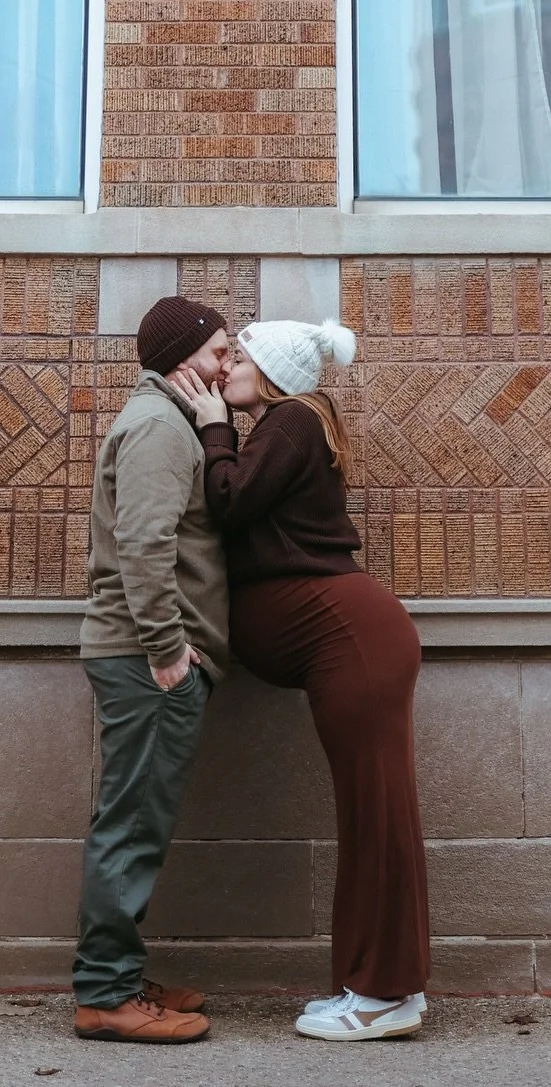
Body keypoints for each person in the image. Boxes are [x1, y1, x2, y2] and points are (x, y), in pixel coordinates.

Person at [171, 317, 431, 1043]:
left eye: (237, 361)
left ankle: (381, 998)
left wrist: (215, 426)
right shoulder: (292, 424)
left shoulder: (289, 422)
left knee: (375, 816)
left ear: (273, 369)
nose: (225, 374)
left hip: (350, 637)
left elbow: (230, 499)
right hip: (348, 636)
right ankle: (384, 991)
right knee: (372, 815)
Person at [73, 294, 232, 1044]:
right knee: (132, 827)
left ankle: (120, 976)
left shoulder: (165, 421)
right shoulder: (161, 427)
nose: (228, 366)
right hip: (147, 660)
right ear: (182, 361)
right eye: (219, 353)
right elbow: (142, 544)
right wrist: (168, 650)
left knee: (133, 821)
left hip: (142, 656)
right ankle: (106, 995)